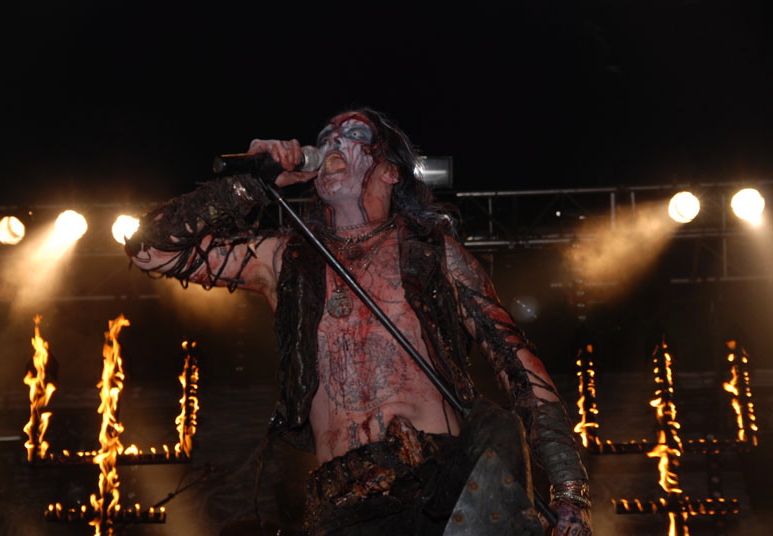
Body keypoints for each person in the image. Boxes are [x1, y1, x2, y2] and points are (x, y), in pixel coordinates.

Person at [124, 108, 592, 535]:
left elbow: (520, 368)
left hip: (441, 489)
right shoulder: (284, 259)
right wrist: (251, 184)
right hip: (344, 504)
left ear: (390, 170)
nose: (332, 142)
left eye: (353, 134)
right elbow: (149, 250)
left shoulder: (435, 256)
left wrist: (570, 491)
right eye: (326, 136)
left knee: (497, 428)